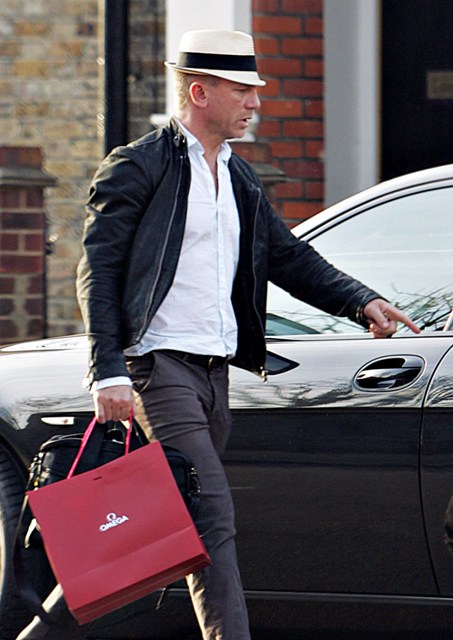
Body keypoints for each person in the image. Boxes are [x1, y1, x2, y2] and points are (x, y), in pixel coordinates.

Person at [16, 29, 420, 640]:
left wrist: (360, 300)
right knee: (212, 516)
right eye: (242, 90)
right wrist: (108, 369)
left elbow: (287, 256)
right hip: (157, 369)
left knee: (164, 525)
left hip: (214, 375)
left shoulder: (237, 177)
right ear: (200, 92)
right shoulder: (139, 166)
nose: (255, 102)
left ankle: (39, 630)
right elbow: (98, 269)